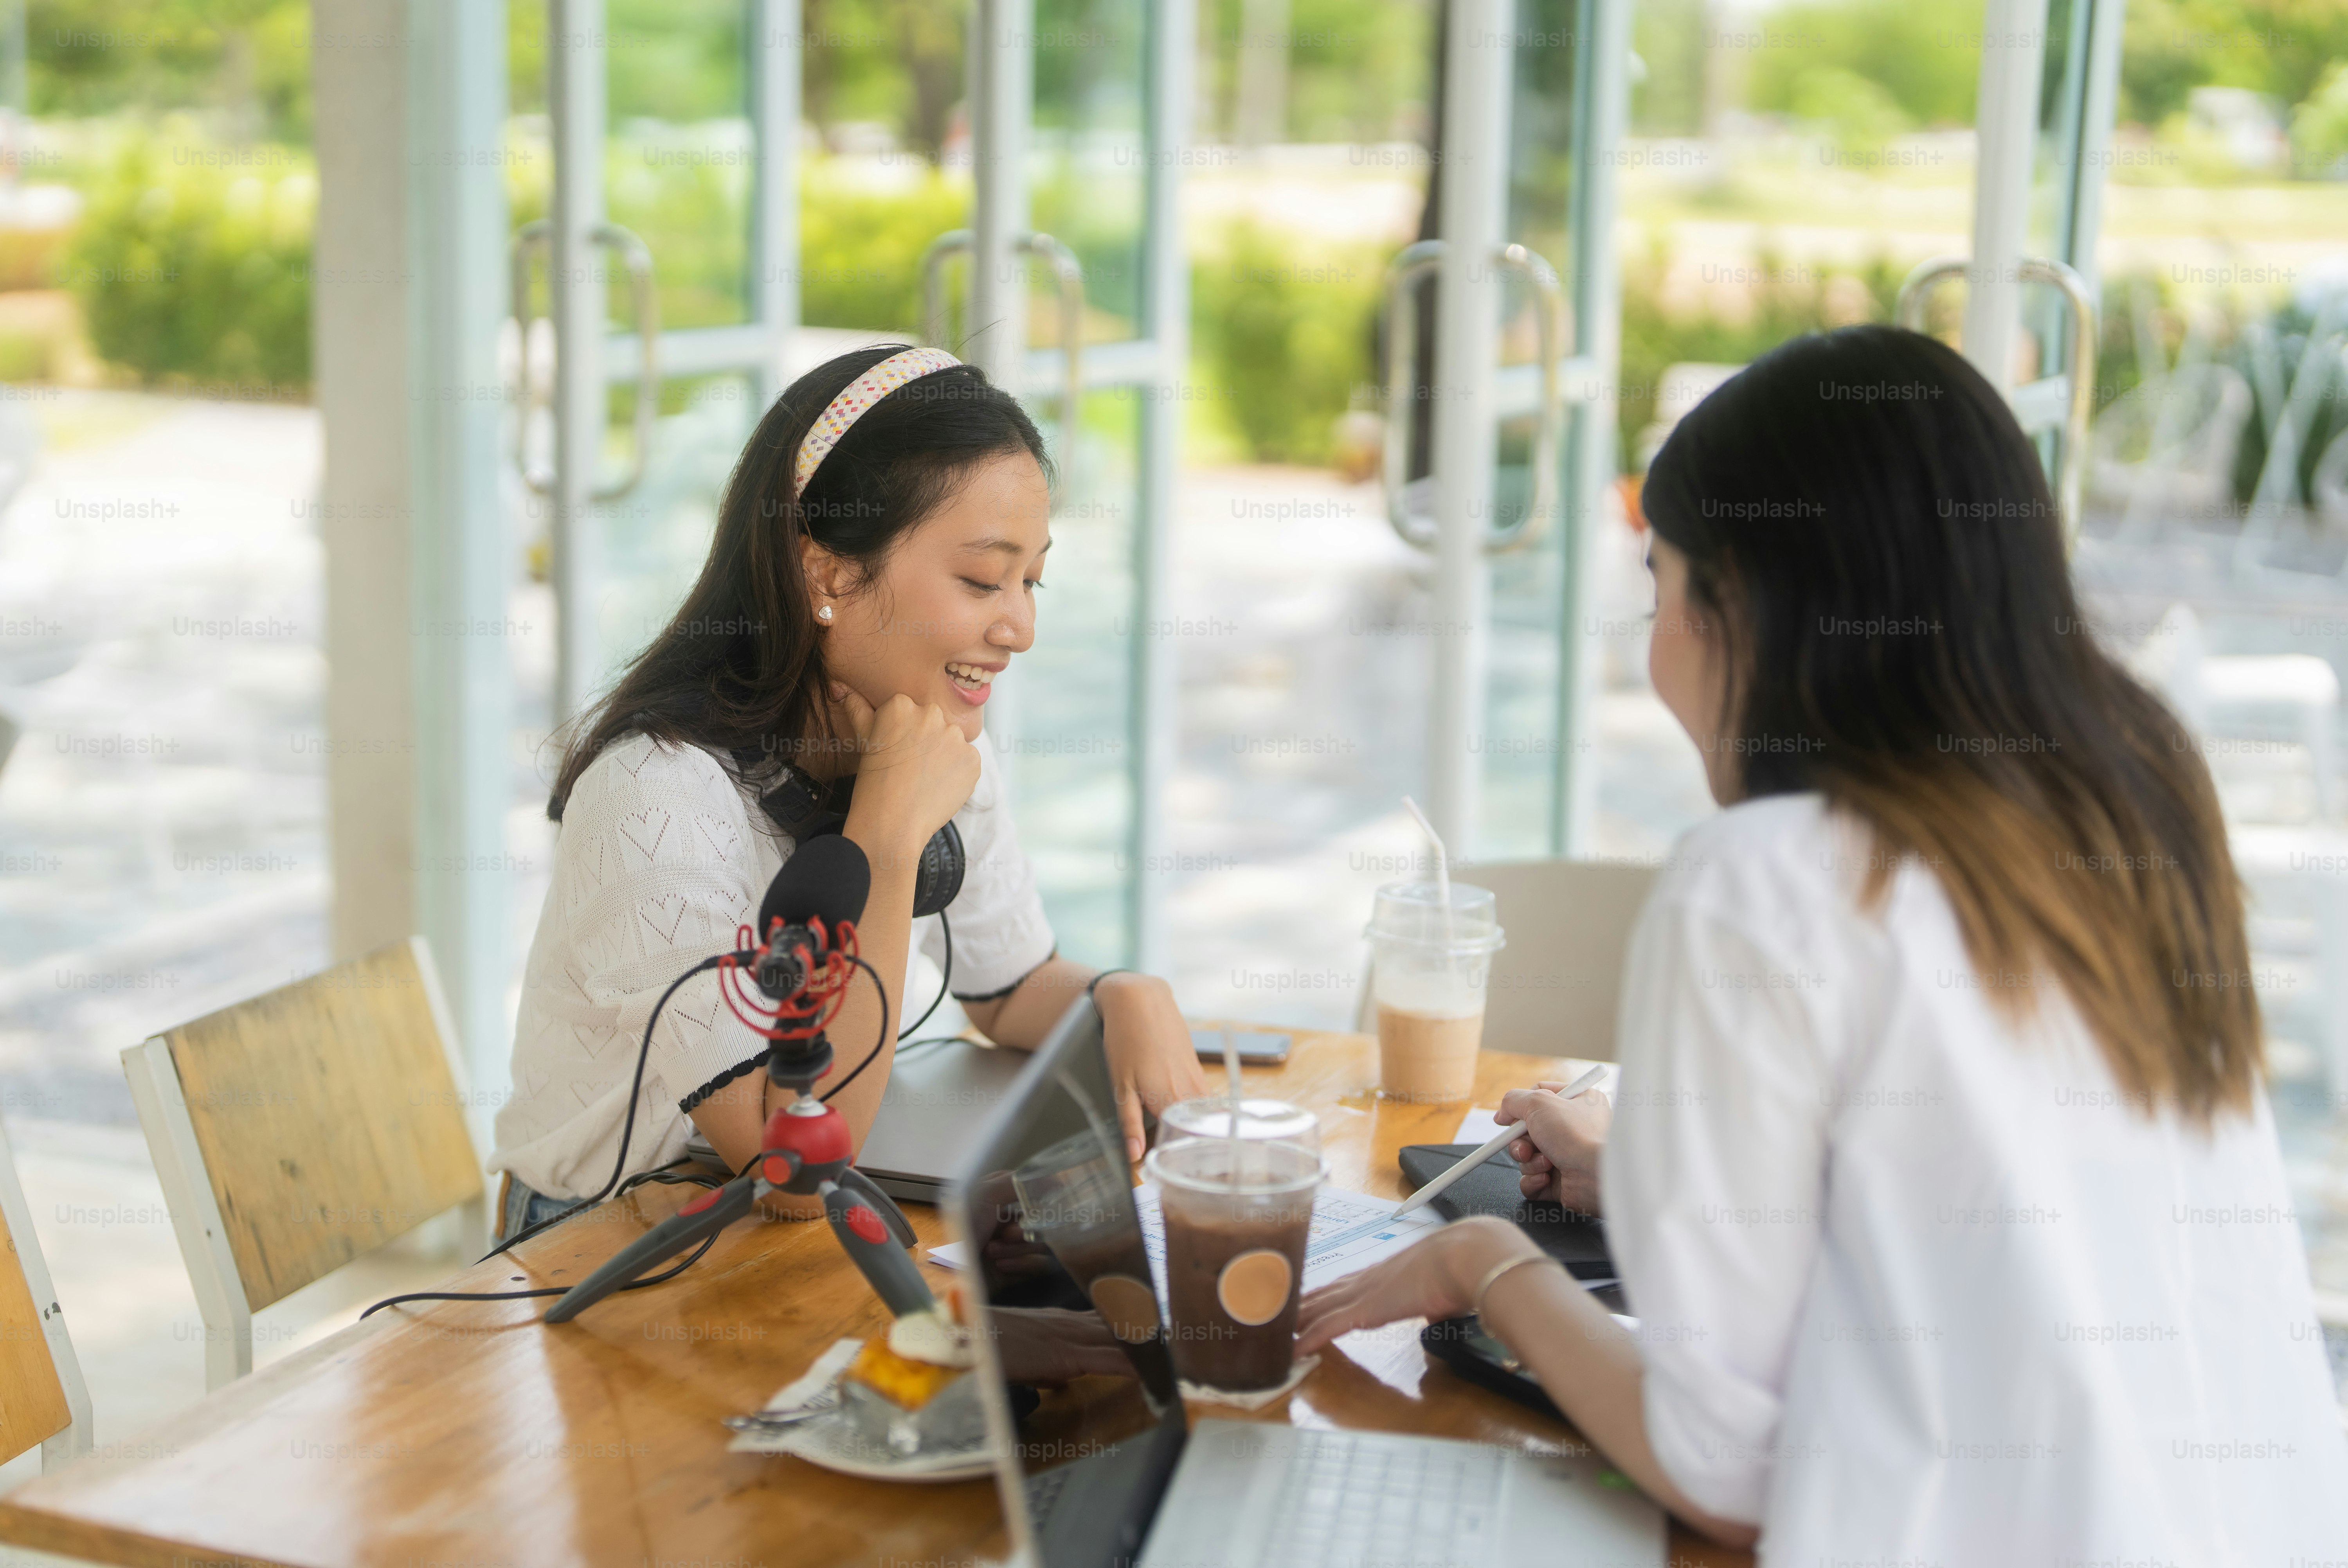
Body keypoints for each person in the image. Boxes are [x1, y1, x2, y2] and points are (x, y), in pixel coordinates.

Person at [1297, 324, 2348, 1559]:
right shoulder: (2138, 803)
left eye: (1659, 589)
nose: (1654, 644)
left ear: (1742, 599)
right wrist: (1651, 1181)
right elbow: (1994, 1224)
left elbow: (1725, 1466)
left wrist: (1487, 1267)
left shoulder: (1764, 878)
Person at [488, 345, 1206, 1235]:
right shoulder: (653, 796)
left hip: (780, 1215)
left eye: (1031, 581)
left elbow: (1007, 987)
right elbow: (790, 1168)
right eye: (983, 580)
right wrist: (887, 841)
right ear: (829, 574)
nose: (1021, 627)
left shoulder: (923, 736)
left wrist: (1119, 994)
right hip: (603, 1240)